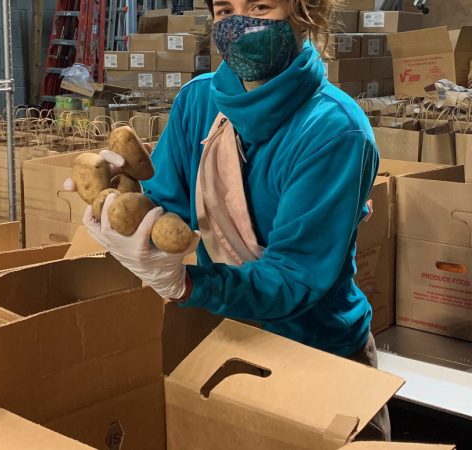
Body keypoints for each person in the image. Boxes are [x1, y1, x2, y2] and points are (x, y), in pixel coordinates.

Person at [72, 0, 387, 439]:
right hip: (226, 346)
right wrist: (124, 201)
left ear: (305, 13)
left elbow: (293, 278)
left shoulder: (334, 130)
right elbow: (168, 209)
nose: (239, 23)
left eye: (260, 6)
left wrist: (187, 285)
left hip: (319, 355)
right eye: (224, 10)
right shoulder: (198, 101)